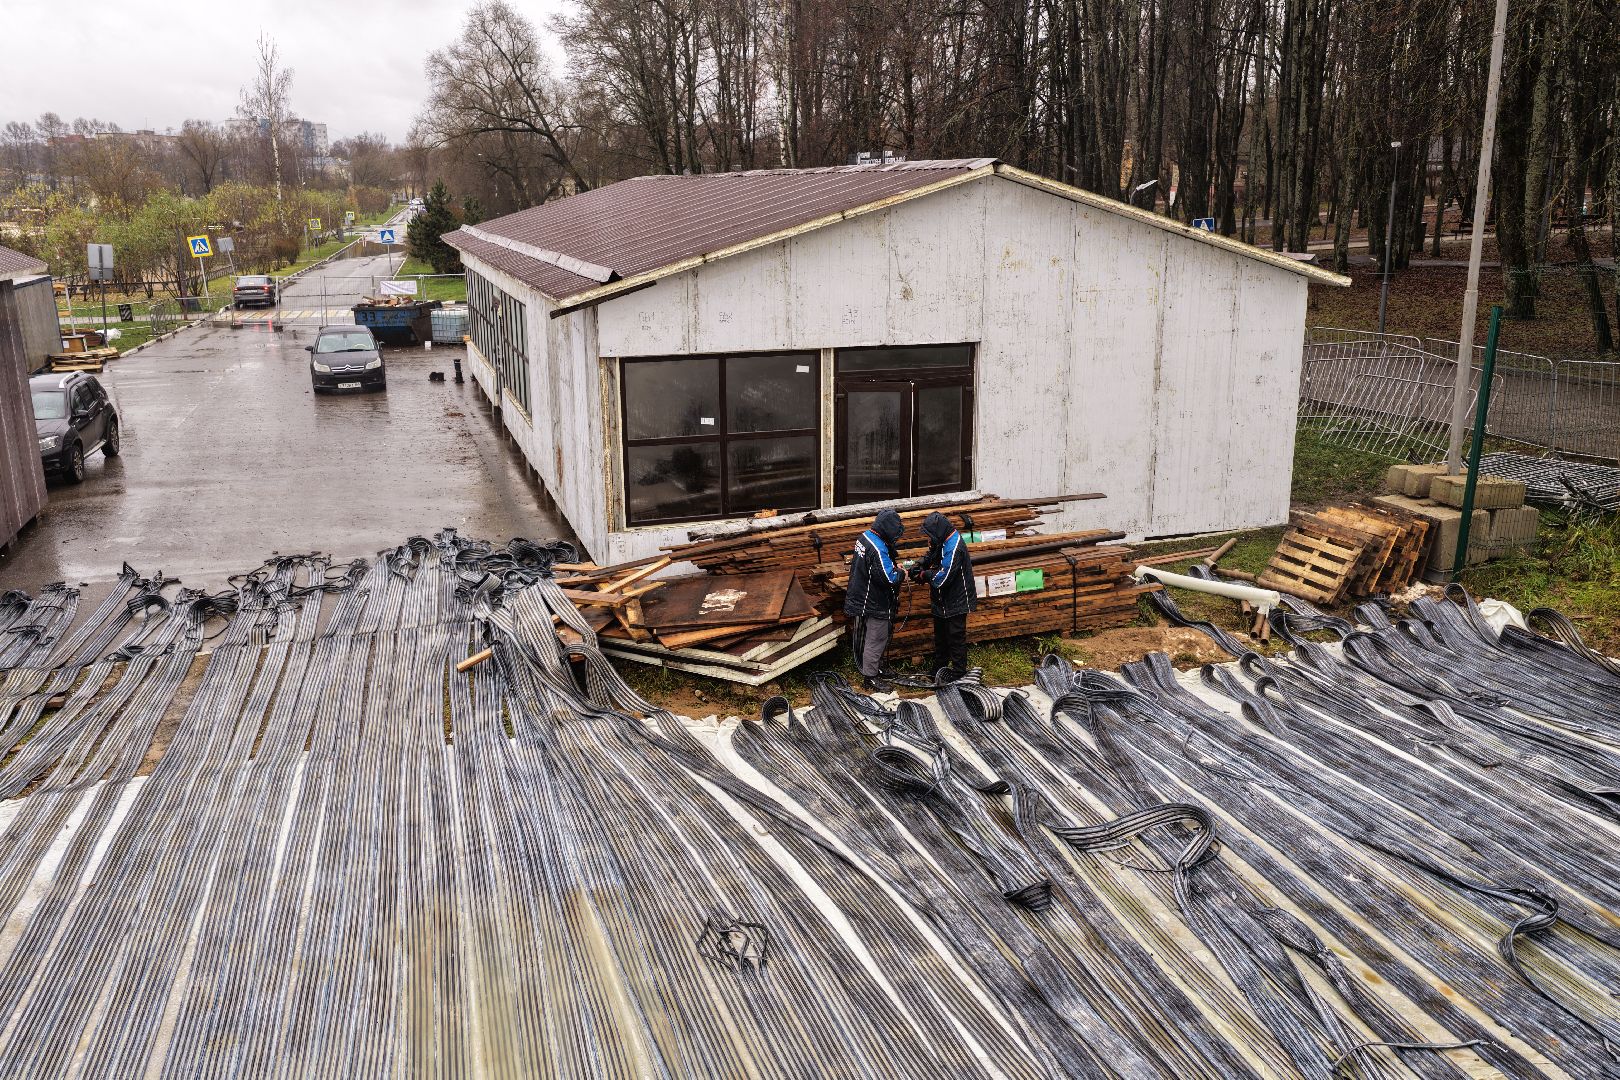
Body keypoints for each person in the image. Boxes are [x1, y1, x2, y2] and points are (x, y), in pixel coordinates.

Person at [844, 508, 905, 691]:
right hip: (875, 600)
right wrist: (901, 572)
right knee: (876, 638)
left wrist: (893, 565)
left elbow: (875, 567)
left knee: (874, 637)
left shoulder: (865, 537)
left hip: (863, 595)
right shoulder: (878, 548)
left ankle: (877, 668)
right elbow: (889, 578)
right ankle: (870, 677)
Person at [910, 511, 975, 682]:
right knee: (941, 637)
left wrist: (924, 575)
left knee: (955, 638)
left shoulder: (954, 547)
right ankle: (938, 670)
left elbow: (943, 578)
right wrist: (919, 564)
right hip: (942, 600)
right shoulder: (942, 539)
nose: (929, 539)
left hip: (956, 600)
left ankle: (959, 673)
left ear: (937, 531)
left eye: (930, 535)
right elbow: (932, 553)